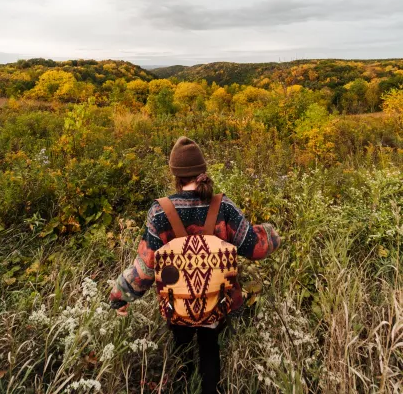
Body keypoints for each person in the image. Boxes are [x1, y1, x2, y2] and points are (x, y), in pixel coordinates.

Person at [109, 136, 281, 394]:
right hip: (217, 303)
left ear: (175, 174)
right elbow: (255, 247)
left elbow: (144, 269)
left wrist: (119, 296)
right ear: (204, 171)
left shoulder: (160, 211)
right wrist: (273, 234)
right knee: (210, 352)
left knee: (181, 352)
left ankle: (183, 384)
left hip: (176, 306)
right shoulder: (223, 206)